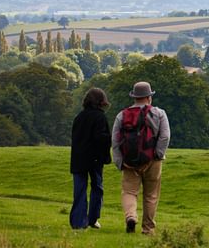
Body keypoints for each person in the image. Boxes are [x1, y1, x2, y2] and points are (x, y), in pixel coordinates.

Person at [112, 81, 170, 234]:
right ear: (149, 97)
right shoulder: (159, 113)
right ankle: (148, 229)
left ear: (134, 97)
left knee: (129, 192)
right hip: (153, 162)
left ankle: (131, 216)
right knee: (151, 195)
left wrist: (120, 162)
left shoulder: (122, 115)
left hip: (129, 162)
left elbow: (115, 141)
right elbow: (165, 136)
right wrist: (157, 154)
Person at [70, 88, 112, 229]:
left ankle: (78, 222)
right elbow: (101, 139)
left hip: (78, 159)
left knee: (79, 190)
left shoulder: (79, 117)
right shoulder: (100, 117)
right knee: (97, 188)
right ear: (101, 102)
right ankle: (93, 218)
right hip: (95, 159)